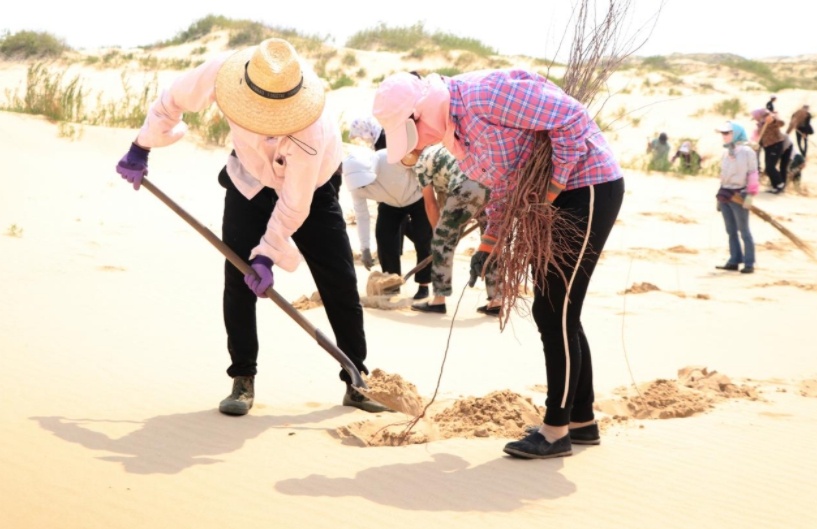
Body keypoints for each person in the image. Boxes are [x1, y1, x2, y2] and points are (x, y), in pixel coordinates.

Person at [114, 38, 389, 415]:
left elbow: (294, 203)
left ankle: (355, 377)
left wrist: (267, 255)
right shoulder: (226, 73)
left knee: (339, 281)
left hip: (312, 188)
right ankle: (242, 378)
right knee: (238, 276)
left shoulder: (311, 128)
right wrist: (142, 145)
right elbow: (173, 99)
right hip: (248, 178)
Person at [373, 70, 624, 459]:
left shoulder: (482, 97)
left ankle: (555, 431)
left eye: (412, 133)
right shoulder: (458, 134)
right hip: (557, 199)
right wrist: (488, 244)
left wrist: (553, 188)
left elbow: (571, 118)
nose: (417, 145)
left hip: (586, 187)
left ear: (418, 115)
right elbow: (505, 185)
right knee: (560, 312)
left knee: (553, 310)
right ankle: (581, 421)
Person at [342, 117, 433, 300]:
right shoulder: (356, 188)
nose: (365, 188)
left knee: (424, 239)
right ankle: (392, 283)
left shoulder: (389, 157)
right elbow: (362, 216)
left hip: (415, 197)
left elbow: (419, 166)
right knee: (384, 239)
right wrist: (365, 248)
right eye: (362, 186)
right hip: (389, 205)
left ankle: (423, 284)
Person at [408, 143, 499, 315]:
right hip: (493, 186)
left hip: (466, 185)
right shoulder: (445, 147)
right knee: (491, 241)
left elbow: (430, 204)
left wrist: (440, 237)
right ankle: (496, 299)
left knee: (442, 241)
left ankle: (438, 300)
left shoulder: (421, 162)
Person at [714, 121, 758, 274]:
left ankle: (749, 263)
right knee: (730, 230)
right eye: (723, 133)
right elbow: (723, 175)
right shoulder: (726, 152)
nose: (724, 136)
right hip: (725, 194)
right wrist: (719, 198)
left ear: (736, 134)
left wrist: (750, 196)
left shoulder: (747, 152)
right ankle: (734, 260)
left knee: (744, 230)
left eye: (727, 133)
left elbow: (753, 173)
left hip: (740, 194)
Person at [753, 108, 787, 193]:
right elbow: (761, 136)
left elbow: (781, 123)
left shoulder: (771, 117)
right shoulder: (760, 124)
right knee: (768, 168)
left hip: (776, 145)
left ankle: (780, 184)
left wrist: (773, 120)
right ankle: (775, 186)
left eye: (755, 117)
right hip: (767, 147)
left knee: (770, 167)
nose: (755, 119)